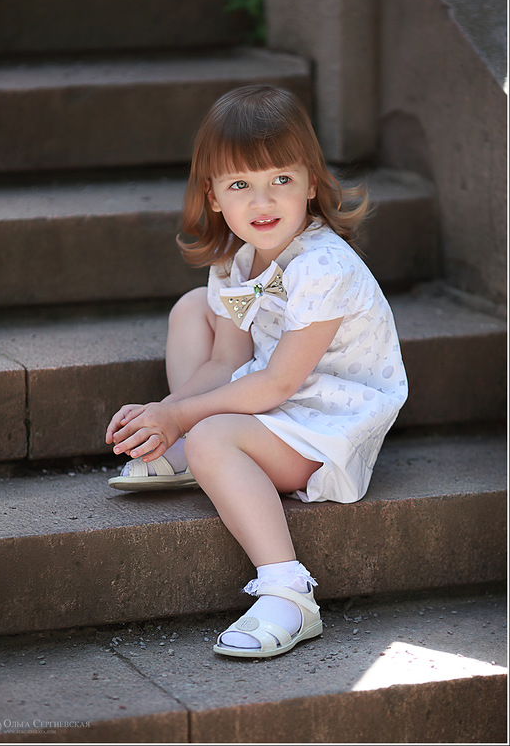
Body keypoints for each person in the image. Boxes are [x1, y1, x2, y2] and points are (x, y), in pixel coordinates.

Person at [105, 85, 408, 658]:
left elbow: (278, 384)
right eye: (240, 185)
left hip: (323, 424)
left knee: (212, 436)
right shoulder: (236, 259)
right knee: (192, 309)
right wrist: (165, 415)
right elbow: (225, 360)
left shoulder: (323, 266)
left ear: (311, 183)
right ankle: (190, 448)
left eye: (281, 180)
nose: (262, 201)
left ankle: (288, 592)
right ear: (214, 196)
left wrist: (180, 416)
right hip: (271, 396)